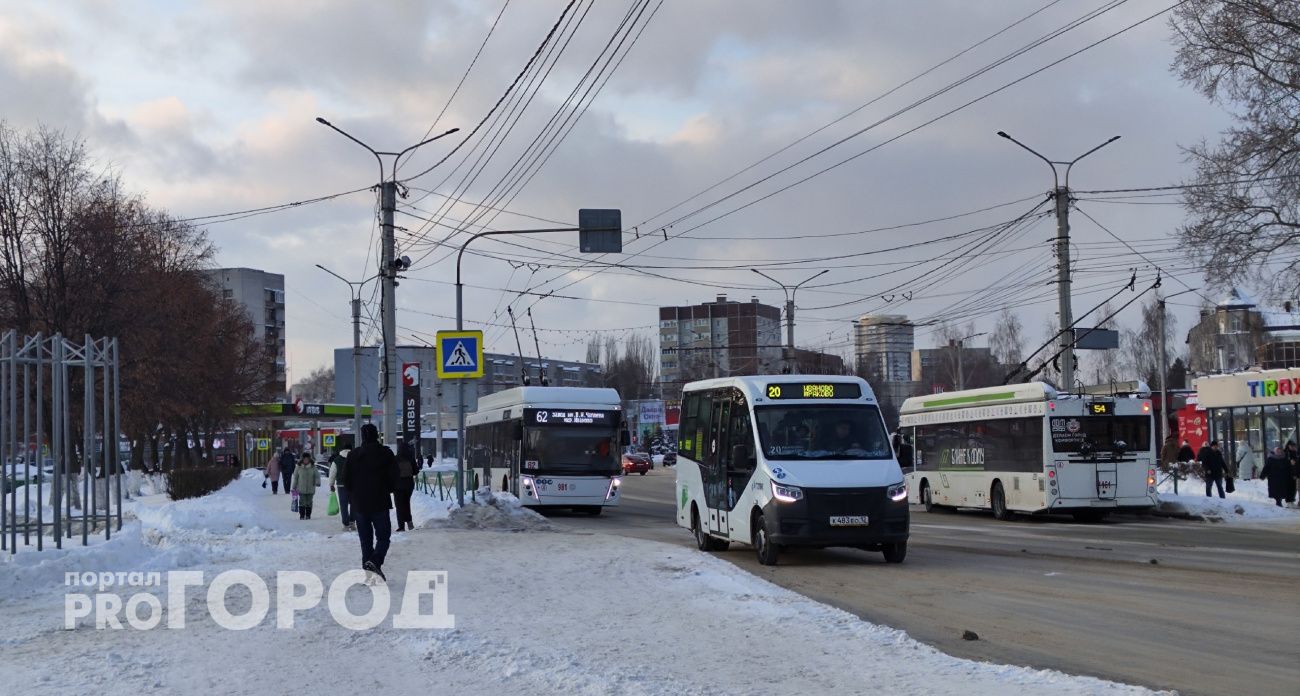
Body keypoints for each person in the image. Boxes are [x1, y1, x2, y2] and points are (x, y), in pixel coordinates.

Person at [344, 424, 397, 581]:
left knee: (365, 540)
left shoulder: (353, 455)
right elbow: (394, 476)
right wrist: (388, 489)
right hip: (380, 502)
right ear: (377, 435)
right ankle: (374, 561)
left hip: (359, 504)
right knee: (383, 537)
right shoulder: (385, 453)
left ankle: (369, 575)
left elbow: (346, 479)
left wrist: (353, 495)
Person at [327, 447, 354, 530]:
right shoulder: (354, 457)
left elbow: (332, 473)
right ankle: (352, 522)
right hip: (353, 486)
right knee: (354, 504)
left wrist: (331, 484)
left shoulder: (337, 460)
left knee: (343, 505)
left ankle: (346, 524)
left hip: (341, 486)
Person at [394, 441, 417, 532]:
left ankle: (401, 526)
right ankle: (410, 523)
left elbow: (392, 472)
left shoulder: (395, 459)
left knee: (399, 506)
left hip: (398, 485)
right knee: (406, 503)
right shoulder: (411, 458)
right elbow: (415, 471)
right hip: (409, 485)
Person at [291, 452, 319, 519]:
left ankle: (308, 515)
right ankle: (302, 515)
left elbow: (317, 476)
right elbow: (295, 477)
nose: (306, 460)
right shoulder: (298, 467)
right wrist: (294, 486)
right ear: (302, 459)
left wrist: (317, 482)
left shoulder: (313, 467)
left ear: (309, 459)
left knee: (309, 502)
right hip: (301, 488)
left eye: (307, 459)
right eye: (304, 459)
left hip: (310, 488)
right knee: (302, 502)